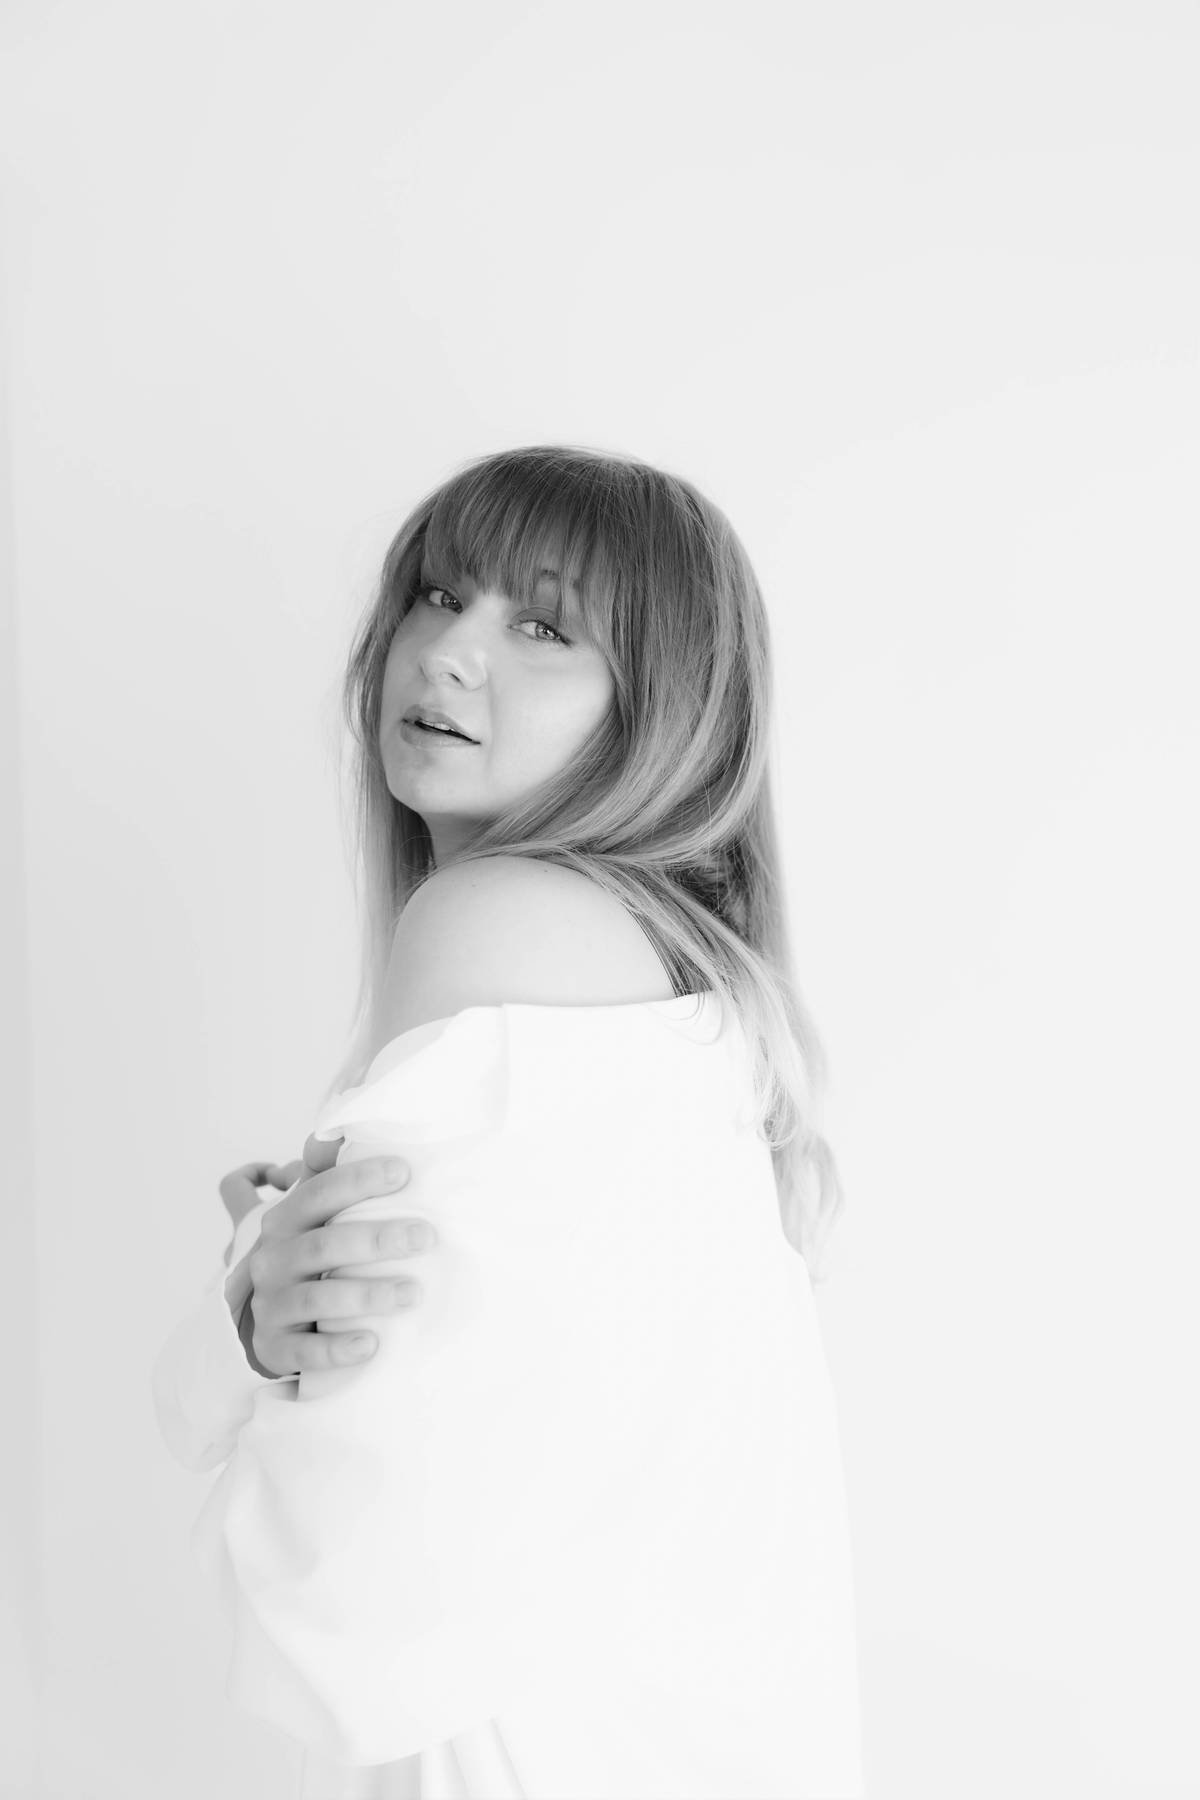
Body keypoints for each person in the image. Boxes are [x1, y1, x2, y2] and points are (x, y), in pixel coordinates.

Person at [152, 444, 864, 1800]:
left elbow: (339, 1603)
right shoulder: (681, 986)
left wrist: (246, 1318)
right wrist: (252, 1313)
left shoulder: (499, 922)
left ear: (664, 710)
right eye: (438, 595)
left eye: (546, 627)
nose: (452, 653)